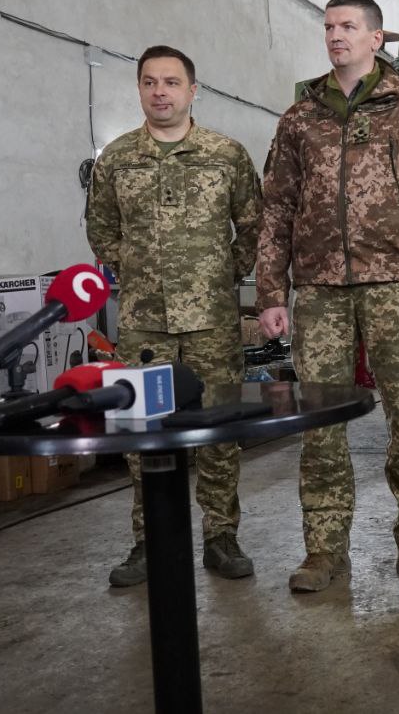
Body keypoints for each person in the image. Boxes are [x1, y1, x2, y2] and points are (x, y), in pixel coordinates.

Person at [257, 0, 399, 593]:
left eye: (348, 26)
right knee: (319, 424)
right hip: (319, 290)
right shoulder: (300, 117)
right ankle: (324, 551)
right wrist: (271, 292)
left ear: (376, 38)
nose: (335, 36)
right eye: (329, 27)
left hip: (395, 286)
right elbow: (277, 207)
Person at [86, 45, 262, 587]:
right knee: (143, 433)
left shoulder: (225, 155)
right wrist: (137, 274)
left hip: (212, 320)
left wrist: (221, 275)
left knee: (218, 429)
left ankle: (221, 537)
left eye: (171, 82)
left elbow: (253, 226)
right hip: (144, 322)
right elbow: (101, 230)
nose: (160, 92)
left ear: (192, 90)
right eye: (149, 82)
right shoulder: (117, 159)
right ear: (139, 89)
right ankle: (150, 541)